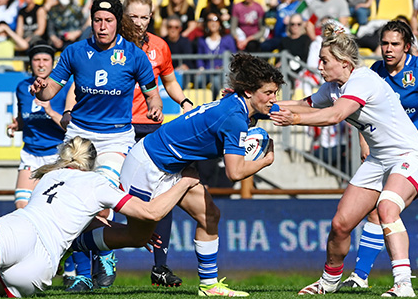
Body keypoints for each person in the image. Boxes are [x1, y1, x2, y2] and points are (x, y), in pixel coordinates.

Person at [73, 52, 280, 297]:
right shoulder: (234, 118)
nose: (273, 99)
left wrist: (318, 111)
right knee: (137, 237)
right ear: (249, 92)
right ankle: (74, 243)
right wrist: (265, 161)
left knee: (210, 216)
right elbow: (235, 172)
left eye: (275, 92)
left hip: (171, 166)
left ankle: (209, 286)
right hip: (147, 166)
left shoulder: (236, 102)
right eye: (269, 93)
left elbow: (283, 110)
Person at [0, 136, 200, 298]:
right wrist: (185, 182)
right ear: (93, 163)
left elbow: (83, 217)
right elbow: (152, 212)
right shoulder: (99, 184)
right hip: (43, 261)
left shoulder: (50, 174)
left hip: (21, 227)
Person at [270, 22, 418, 297]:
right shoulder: (334, 86)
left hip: (409, 155)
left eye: (324, 61)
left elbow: (335, 115)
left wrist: (294, 120)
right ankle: (329, 281)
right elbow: (301, 104)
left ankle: (403, 284)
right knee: (341, 224)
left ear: (344, 63)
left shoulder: (362, 80)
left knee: (388, 207)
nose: (319, 66)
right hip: (379, 159)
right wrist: (250, 105)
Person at [32, 0, 163, 290]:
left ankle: (104, 253)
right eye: (97, 20)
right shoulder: (75, 51)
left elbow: (152, 92)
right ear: (91, 21)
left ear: (118, 22)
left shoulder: (134, 55)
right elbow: (49, 91)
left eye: (108, 21)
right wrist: (41, 90)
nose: (102, 27)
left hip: (116, 137)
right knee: (70, 202)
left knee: (100, 204)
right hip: (79, 136)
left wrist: (155, 106)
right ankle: (80, 274)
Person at [340, 19, 418, 290]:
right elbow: (361, 109)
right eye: (384, 43)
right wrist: (364, 140)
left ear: (407, 47)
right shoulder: (374, 72)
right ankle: (359, 276)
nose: (388, 49)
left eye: (395, 44)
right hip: (392, 152)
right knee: (379, 209)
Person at [124, 0, 194, 288]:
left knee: (163, 194)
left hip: (153, 128)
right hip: (119, 129)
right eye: (133, 17)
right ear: (122, 17)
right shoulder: (112, 47)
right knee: (113, 195)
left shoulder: (160, 47)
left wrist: (185, 101)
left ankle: (160, 267)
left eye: (144, 16)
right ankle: (90, 261)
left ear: (151, 17)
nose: (139, 22)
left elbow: (170, 82)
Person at [7, 42, 72, 209]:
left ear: (53, 63)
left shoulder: (65, 87)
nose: (41, 64)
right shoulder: (22, 87)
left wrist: (50, 111)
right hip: (31, 154)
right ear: (30, 63)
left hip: (57, 154)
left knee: (54, 207)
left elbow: (71, 127)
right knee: (22, 204)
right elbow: (24, 118)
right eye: (36, 60)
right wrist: (17, 125)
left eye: (45, 59)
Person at [197, 9, 237, 98]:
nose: (213, 23)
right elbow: (199, 58)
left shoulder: (227, 39)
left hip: (221, 72)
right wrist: (201, 67)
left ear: (220, 23)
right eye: (209, 20)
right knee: (198, 80)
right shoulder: (202, 40)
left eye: (215, 20)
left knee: (215, 81)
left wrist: (225, 66)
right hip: (207, 71)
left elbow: (234, 56)